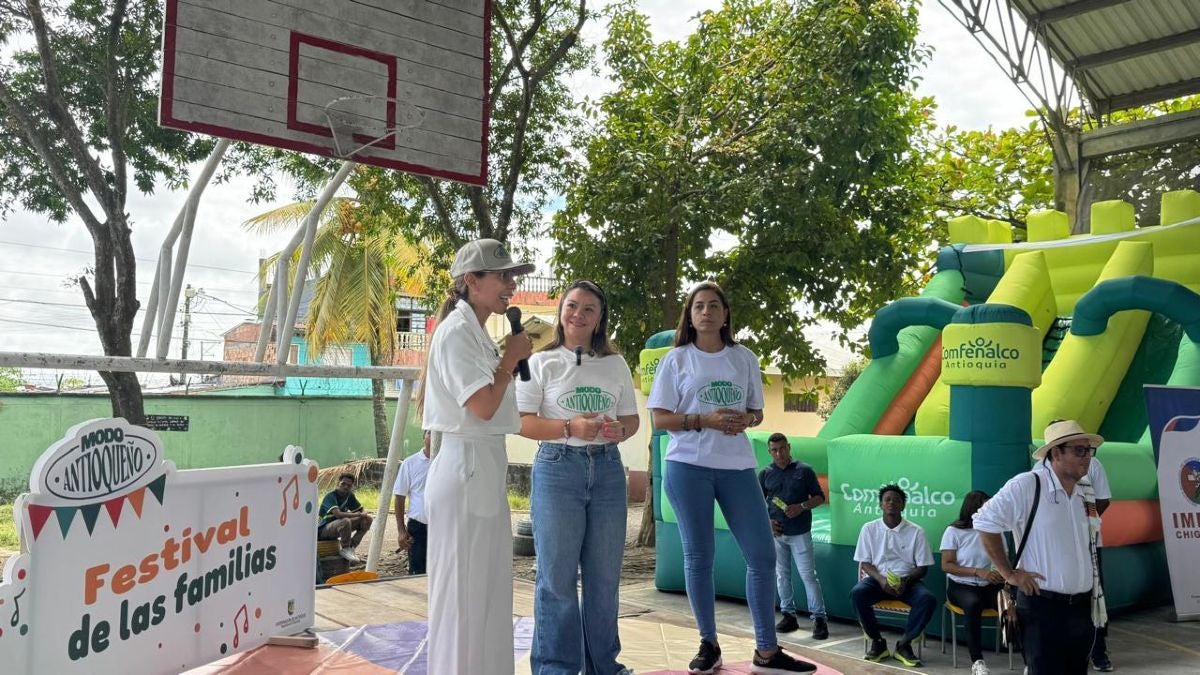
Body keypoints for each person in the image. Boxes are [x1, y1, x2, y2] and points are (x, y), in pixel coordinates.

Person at [648, 281, 816, 675]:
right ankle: (709, 643)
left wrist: (749, 419)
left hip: (738, 467)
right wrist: (703, 419)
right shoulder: (676, 360)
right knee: (699, 556)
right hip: (687, 466)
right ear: (690, 316)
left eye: (713, 306)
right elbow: (659, 419)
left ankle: (767, 651)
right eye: (698, 306)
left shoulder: (744, 359)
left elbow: (756, 411)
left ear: (725, 315)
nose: (706, 312)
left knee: (761, 555)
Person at [420, 238, 535, 675]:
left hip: (482, 465)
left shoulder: (476, 332)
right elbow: (482, 406)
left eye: (512, 277)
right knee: (462, 596)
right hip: (464, 464)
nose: (510, 285)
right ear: (471, 280)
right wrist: (510, 359)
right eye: (502, 276)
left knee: (487, 591)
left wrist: (507, 357)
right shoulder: (456, 333)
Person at [516, 279, 640, 675]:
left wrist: (622, 431)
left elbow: (632, 419)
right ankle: (556, 668)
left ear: (600, 317)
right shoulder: (539, 362)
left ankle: (604, 665)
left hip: (607, 470)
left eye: (589, 308)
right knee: (557, 578)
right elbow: (522, 423)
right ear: (561, 312)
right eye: (572, 306)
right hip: (557, 470)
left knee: (604, 579)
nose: (579, 314)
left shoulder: (616, 364)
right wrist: (570, 428)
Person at [973, 419, 1105, 675]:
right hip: (1042, 606)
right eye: (1079, 451)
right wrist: (1009, 573)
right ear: (1056, 453)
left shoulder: (1084, 492)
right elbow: (984, 522)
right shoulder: (1028, 485)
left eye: (1089, 451)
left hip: (1080, 607)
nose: (1087, 457)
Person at [850, 483, 936, 667]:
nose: (891, 503)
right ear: (881, 505)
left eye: (896, 500)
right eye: (887, 500)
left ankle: (904, 644)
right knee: (858, 593)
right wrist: (881, 580)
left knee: (927, 599)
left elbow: (923, 568)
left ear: (903, 506)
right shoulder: (869, 528)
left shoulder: (916, 531)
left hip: (908, 581)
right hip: (877, 580)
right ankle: (878, 642)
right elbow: (865, 562)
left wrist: (905, 581)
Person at [758, 433, 828, 640]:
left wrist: (802, 506)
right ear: (769, 452)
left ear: (789, 447)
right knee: (782, 575)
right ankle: (788, 615)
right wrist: (767, 523)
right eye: (774, 450)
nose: (779, 453)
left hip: (800, 532)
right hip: (777, 534)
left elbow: (819, 497)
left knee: (808, 575)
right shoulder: (765, 474)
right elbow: (757, 502)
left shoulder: (804, 471)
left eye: (782, 448)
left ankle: (819, 618)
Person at [940, 490, 1005, 675]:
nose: (990, 509)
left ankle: (1029, 662)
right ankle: (977, 662)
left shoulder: (995, 531)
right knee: (973, 603)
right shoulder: (954, 531)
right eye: (986, 505)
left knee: (1010, 605)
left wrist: (999, 573)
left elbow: (1002, 560)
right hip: (961, 585)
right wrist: (978, 572)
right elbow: (947, 565)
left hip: (989, 585)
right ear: (973, 508)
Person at [393, 429, 432, 575]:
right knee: (417, 573)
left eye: (438, 433)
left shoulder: (447, 464)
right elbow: (399, 498)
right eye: (430, 433)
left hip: (443, 527)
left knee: (442, 573)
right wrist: (401, 531)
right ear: (423, 437)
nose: (433, 436)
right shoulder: (410, 463)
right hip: (418, 527)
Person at [1087, 457, 1113, 672]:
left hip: (1090, 544)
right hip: (1059, 547)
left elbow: (1103, 500)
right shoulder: (1041, 468)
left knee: (1095, 596)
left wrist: (1085, 523)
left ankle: (1098, 652)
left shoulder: (1091, 463)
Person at [317, 473, 373, 564]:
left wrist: (364, 513)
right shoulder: (330, 496)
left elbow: (361, 509)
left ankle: (351, 547)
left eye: (349, 485)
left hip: (339, 526)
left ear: (351, 487)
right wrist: (359, 514)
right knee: (345, 521)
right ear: (338, 483)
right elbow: (338, 514)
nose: (346, 487)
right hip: (323, 530)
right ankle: (345, 548)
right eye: (343, 484)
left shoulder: (349, 496)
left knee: (368, 520)